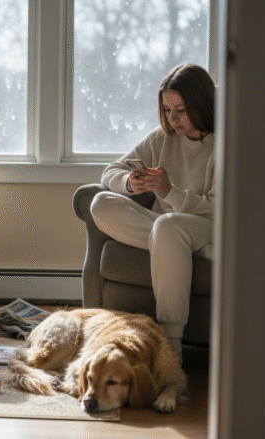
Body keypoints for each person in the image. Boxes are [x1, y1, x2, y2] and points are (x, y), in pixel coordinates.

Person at [90, 63, 216, 363]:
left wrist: (169, 192)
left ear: (201, 103)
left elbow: (219, 207)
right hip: (168, 229)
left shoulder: (224, 144)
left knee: (169, 226)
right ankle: (177, 249)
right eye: (167, 109)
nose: (173, 119)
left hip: (208, 226)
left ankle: (171, 345)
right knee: (101, 203)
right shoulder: (163, 138)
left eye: (181, 110)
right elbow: (111, 171)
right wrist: (128, 182)